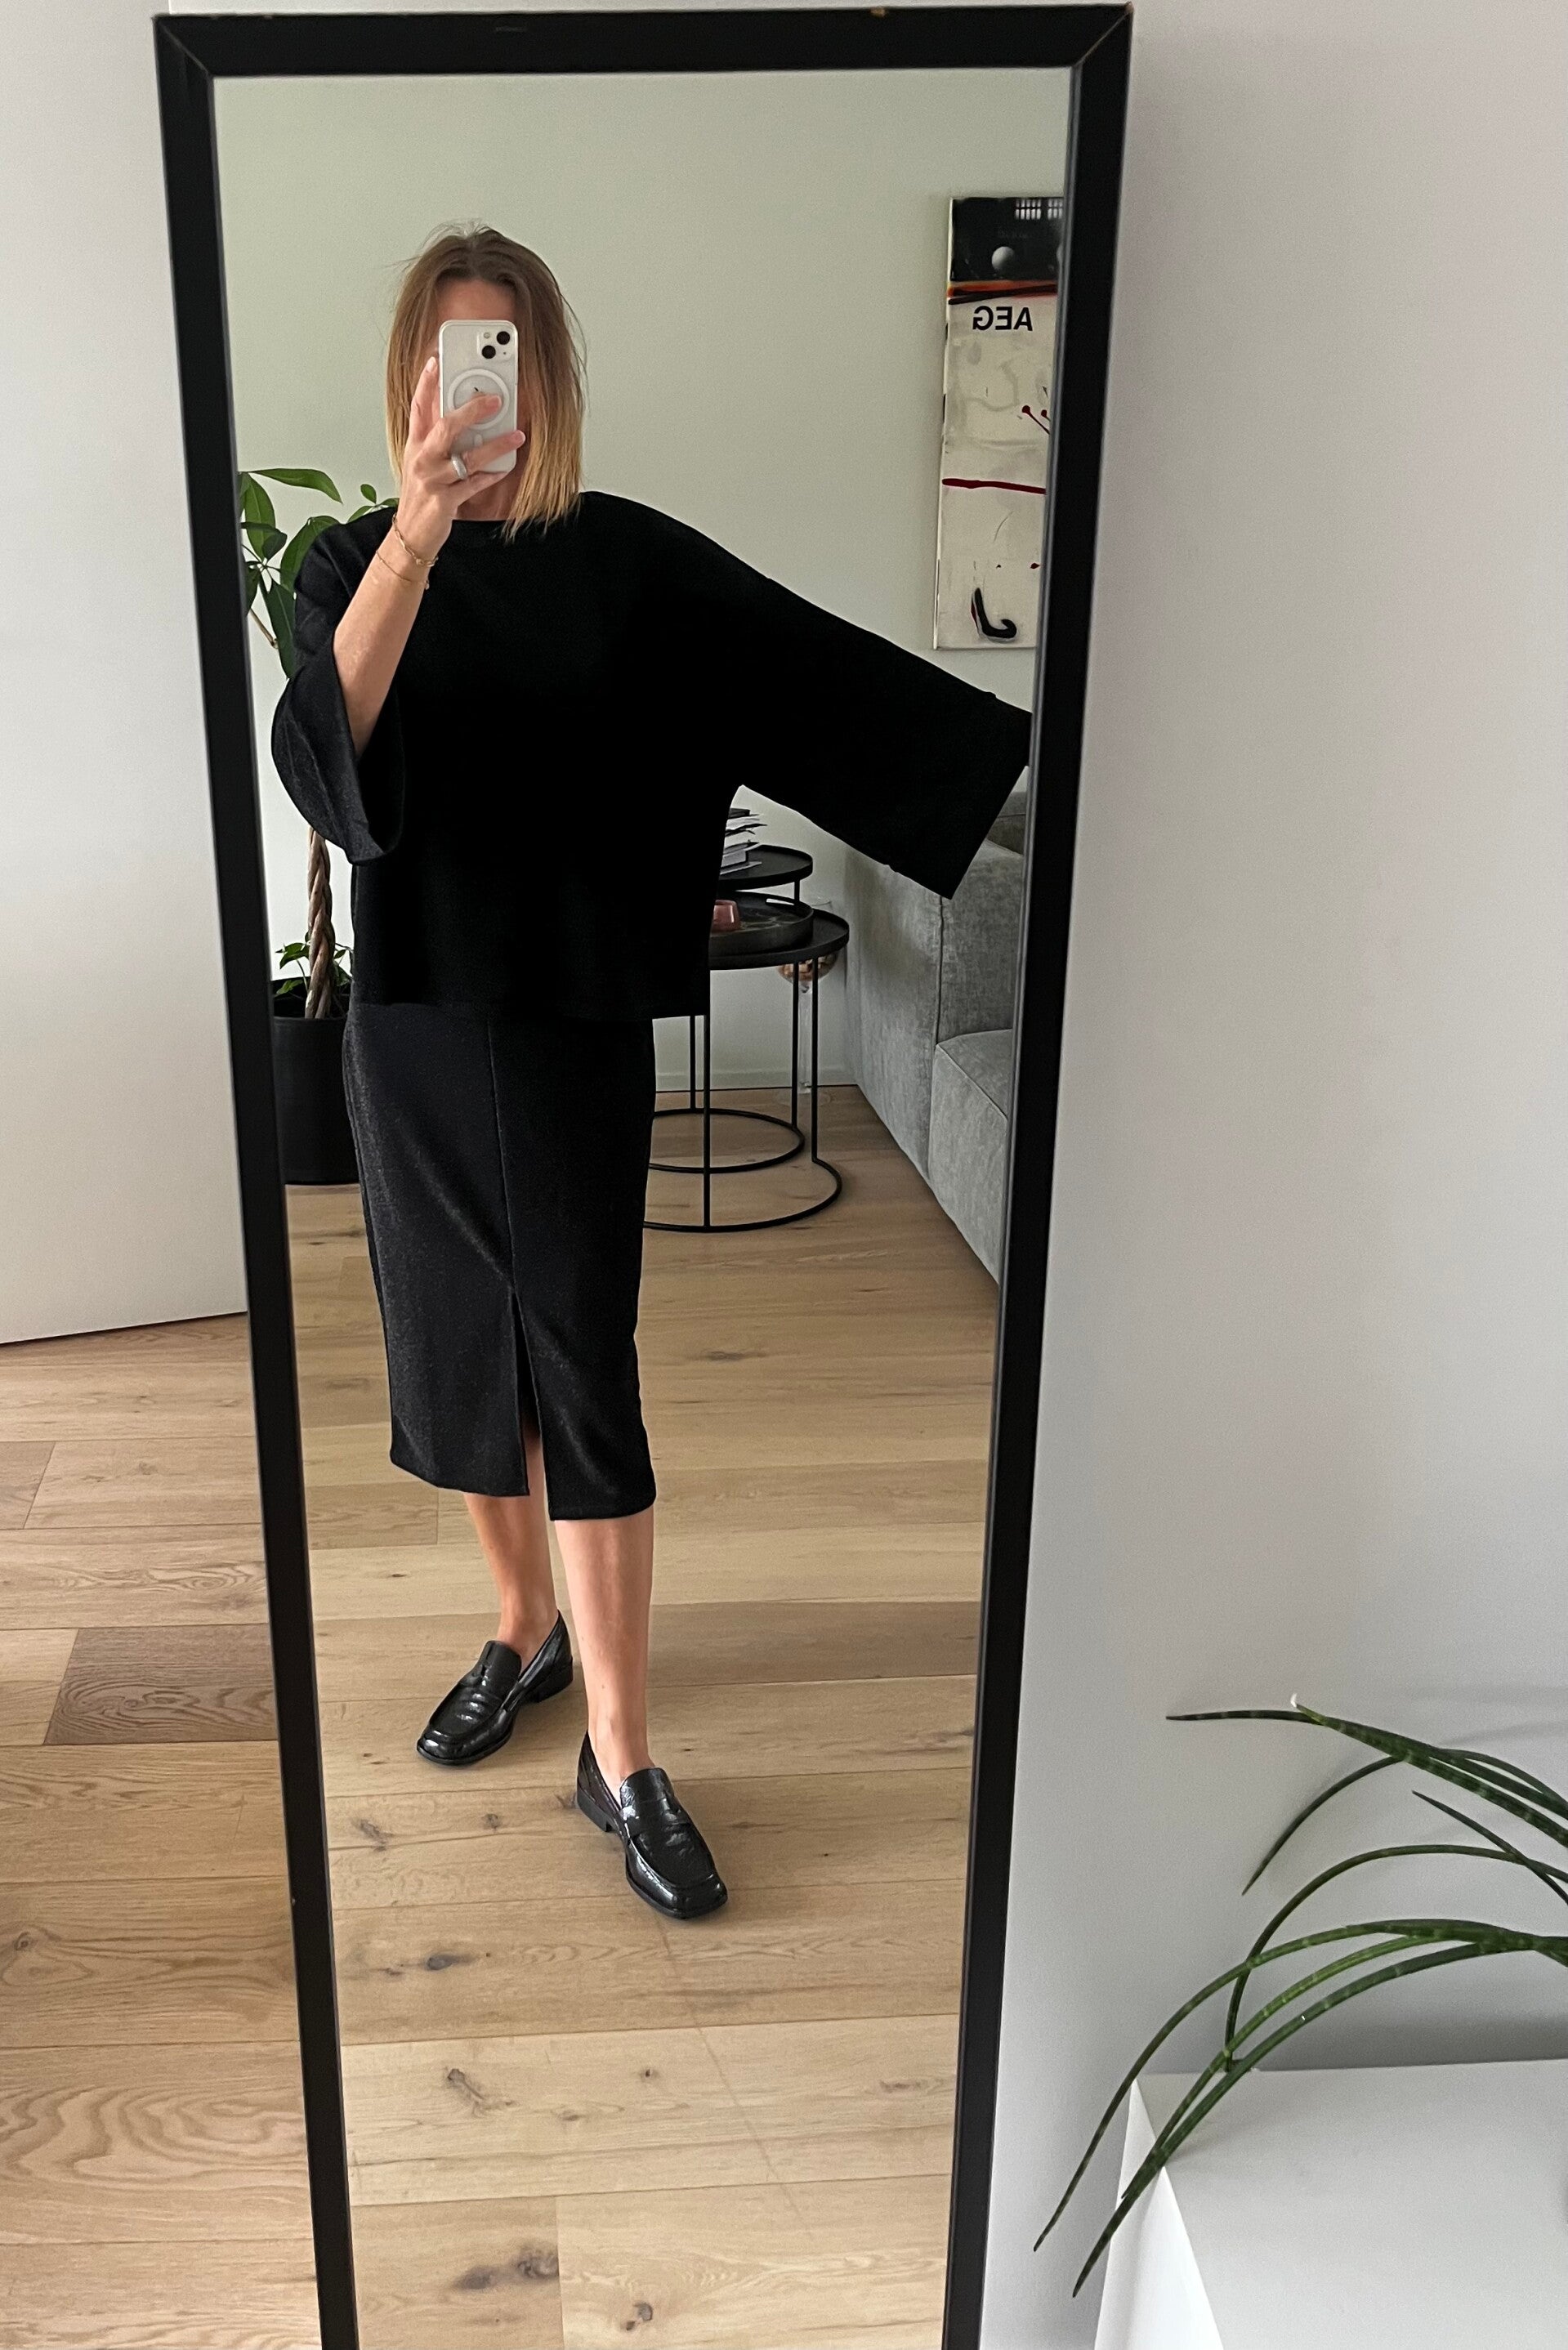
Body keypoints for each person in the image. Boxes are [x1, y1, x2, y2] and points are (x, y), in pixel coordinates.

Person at [271, 224, 1031, 1923]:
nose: (479, 390)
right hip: (415, 1026)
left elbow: (815, 682)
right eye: (452, 358)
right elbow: (326, 764)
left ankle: (619, 1759)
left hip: (570, 1028)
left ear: (546, 379)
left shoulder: (627, 561)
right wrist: (419, 532)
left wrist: (1048, 779)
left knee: (580, 1367)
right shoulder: (347, 563)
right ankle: (521, 1630)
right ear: (413, 379)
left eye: (505, 356)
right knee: (461, 1363)